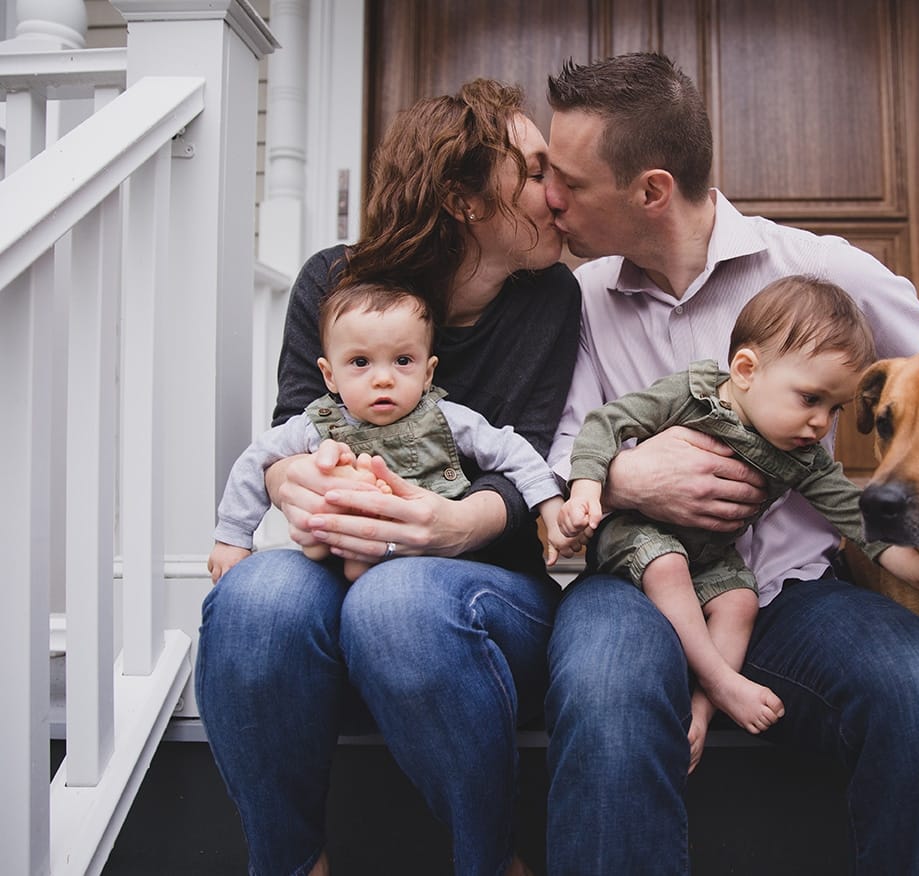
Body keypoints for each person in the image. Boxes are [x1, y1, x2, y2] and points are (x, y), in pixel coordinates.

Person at [541, 52, 919, 873]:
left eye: (569, 182)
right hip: (638, 584)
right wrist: (623, 478)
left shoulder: (824, 271)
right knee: (604, 694)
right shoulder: (578, 300)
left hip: (795, 594)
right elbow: (557, 449)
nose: (548, 198)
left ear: (649, 189)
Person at [195, 79, 579, 876]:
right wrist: (289, 480)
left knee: (397, 600)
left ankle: (488, 859)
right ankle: (293, 862)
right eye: (536, 170)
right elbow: (290, 435)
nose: (558, 192)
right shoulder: (332, 283)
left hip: (484, 581)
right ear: (465, 198)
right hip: (342, 550)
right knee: (255, 601)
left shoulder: (548, 298)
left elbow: (525, 463)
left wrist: (452, 526)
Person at [553, 275, 919, 772]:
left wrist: (918, 570)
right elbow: (607, 423)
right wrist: (588, 487)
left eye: (836, 409)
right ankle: (720, 680)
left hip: (712, 558)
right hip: (635, 538)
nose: (821, 425)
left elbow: (851, 511)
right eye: (810, 399)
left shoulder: (804, 459)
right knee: (667, 561)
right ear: (745, 370)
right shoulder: (691, 394)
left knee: (741, 600)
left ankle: (702, 706)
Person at [209, 281, 568, 585]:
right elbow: (255, 460)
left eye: (402, 361)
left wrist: (549, 504)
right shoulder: (315, 424)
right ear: (330, 375)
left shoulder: (446, 418)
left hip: (426, 553)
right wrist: (232, 537)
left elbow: (511, 449)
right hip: (341, 534)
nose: (384, 378)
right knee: (318, 529)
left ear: (428, 374)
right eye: (360, 362)